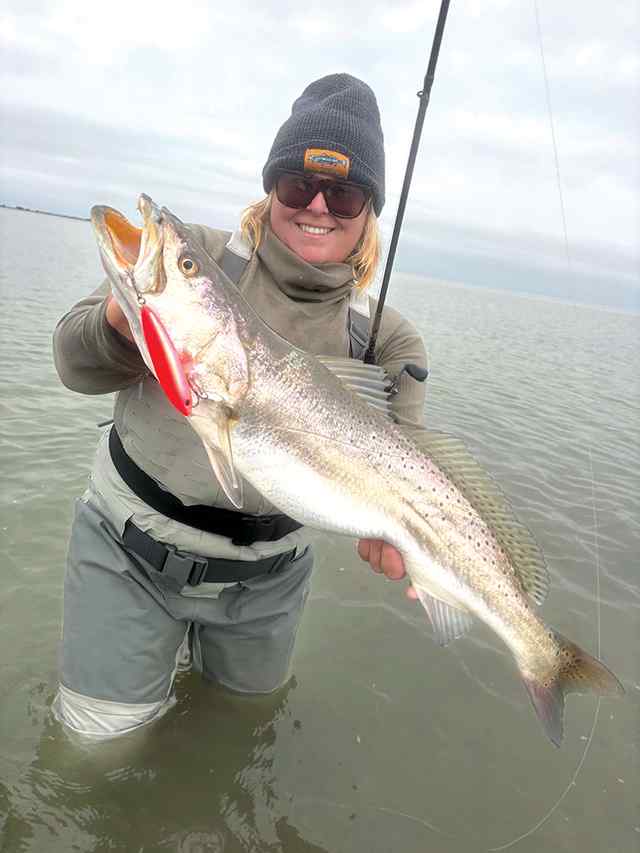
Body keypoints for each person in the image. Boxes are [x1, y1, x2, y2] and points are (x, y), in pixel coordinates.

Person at [52, 73, 428, 737]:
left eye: (342, 190)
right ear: (270, 188)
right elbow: (72, 365)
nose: (317, 204)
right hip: (128, 551)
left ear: (369, 206)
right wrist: (122, 318)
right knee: (96, 747)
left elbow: (411, 466)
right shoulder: (197, 254)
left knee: (234, 740)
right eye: (296, 184)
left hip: (269, 584)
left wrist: (400, 536)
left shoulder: (386, 340)